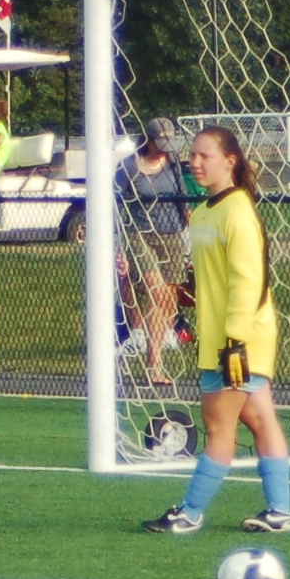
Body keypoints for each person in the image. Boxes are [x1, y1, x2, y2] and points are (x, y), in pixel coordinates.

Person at [142, 127, 290, 536]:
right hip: (220, 339)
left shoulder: (238, 210)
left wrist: (235, 341)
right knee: (261, 420)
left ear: (230, 161)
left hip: (238, 342)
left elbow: (249, 281)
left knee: (217, 427)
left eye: (204, 156)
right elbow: (206, 282)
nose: (194, 162)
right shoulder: (203, 213)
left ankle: (190, 513)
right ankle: (281, 511)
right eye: (192, 155)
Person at [117, 116, 193, 382]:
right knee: (155, 289)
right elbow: (115, 204)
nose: (164, 149)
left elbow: (183, 200)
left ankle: (155, 353)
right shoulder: (128, 166)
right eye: (160, 143)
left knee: (165, 296)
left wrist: (190, 227)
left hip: (171, 235)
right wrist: (119, 246)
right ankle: (154, 365)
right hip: (140, 235)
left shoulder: (173, 163)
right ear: (147, 140)